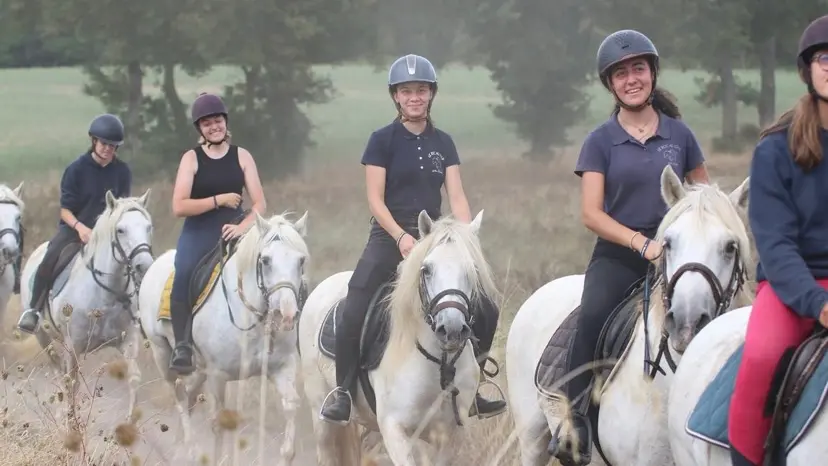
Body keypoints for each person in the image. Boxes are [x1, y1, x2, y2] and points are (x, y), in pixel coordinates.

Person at [548, 29, 710, 465]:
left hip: (679, 257)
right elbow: (592, 214)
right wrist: (643, 245)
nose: (631, 79)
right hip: (621, 256)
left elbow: (704, 198)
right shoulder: (600, 141)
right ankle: (574, 421)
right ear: (610, 84)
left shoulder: (681, 135)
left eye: (638, 68)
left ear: (652, 73)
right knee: (593, 316)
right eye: (621, 73)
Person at [318, 53, 507, 425]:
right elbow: (374, 198)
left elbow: (456, 195)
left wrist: (465, 236)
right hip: (389, 236)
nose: (414, 97)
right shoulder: (381, 140)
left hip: (434, 238)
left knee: (485, 303)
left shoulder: (444, 143)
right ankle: (342, 391)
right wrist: (401, 237)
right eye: (407, 91)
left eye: (421, 90)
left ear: (431, 94)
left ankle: (476, 384)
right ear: (396, 97)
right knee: (355, 303)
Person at [727, 15, 828, 466]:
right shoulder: (774, 150)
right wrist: (816, 302)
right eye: (824, 58)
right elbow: (776, 243)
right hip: (792, 288)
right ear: (808, 70)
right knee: (764, 356)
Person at [167, 92, 267, 376]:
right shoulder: (192, 159)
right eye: (207, 123)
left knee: (272, 262)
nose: (214, 126)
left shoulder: (242, 155)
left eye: (218, 120)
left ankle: (280, 330)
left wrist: (242, 226)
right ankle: (183, 345)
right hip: (199, 230)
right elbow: (178, 206)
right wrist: (218, 200)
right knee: (184, 271)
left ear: (225, 121)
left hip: (237, 226)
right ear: (200, 128)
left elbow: (259, 203)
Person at [16, 114, 132, 334]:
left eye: (113, 146)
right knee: (49, 258)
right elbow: (65, 210)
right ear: (94, 141)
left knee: (136, 260)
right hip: (75, 229)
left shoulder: (122, 171)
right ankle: (34, 309)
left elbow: (123, 206)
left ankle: (138, 313)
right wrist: (80, 228)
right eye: (105, 143)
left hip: (109, 234)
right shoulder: (76, 169)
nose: (108, 149)